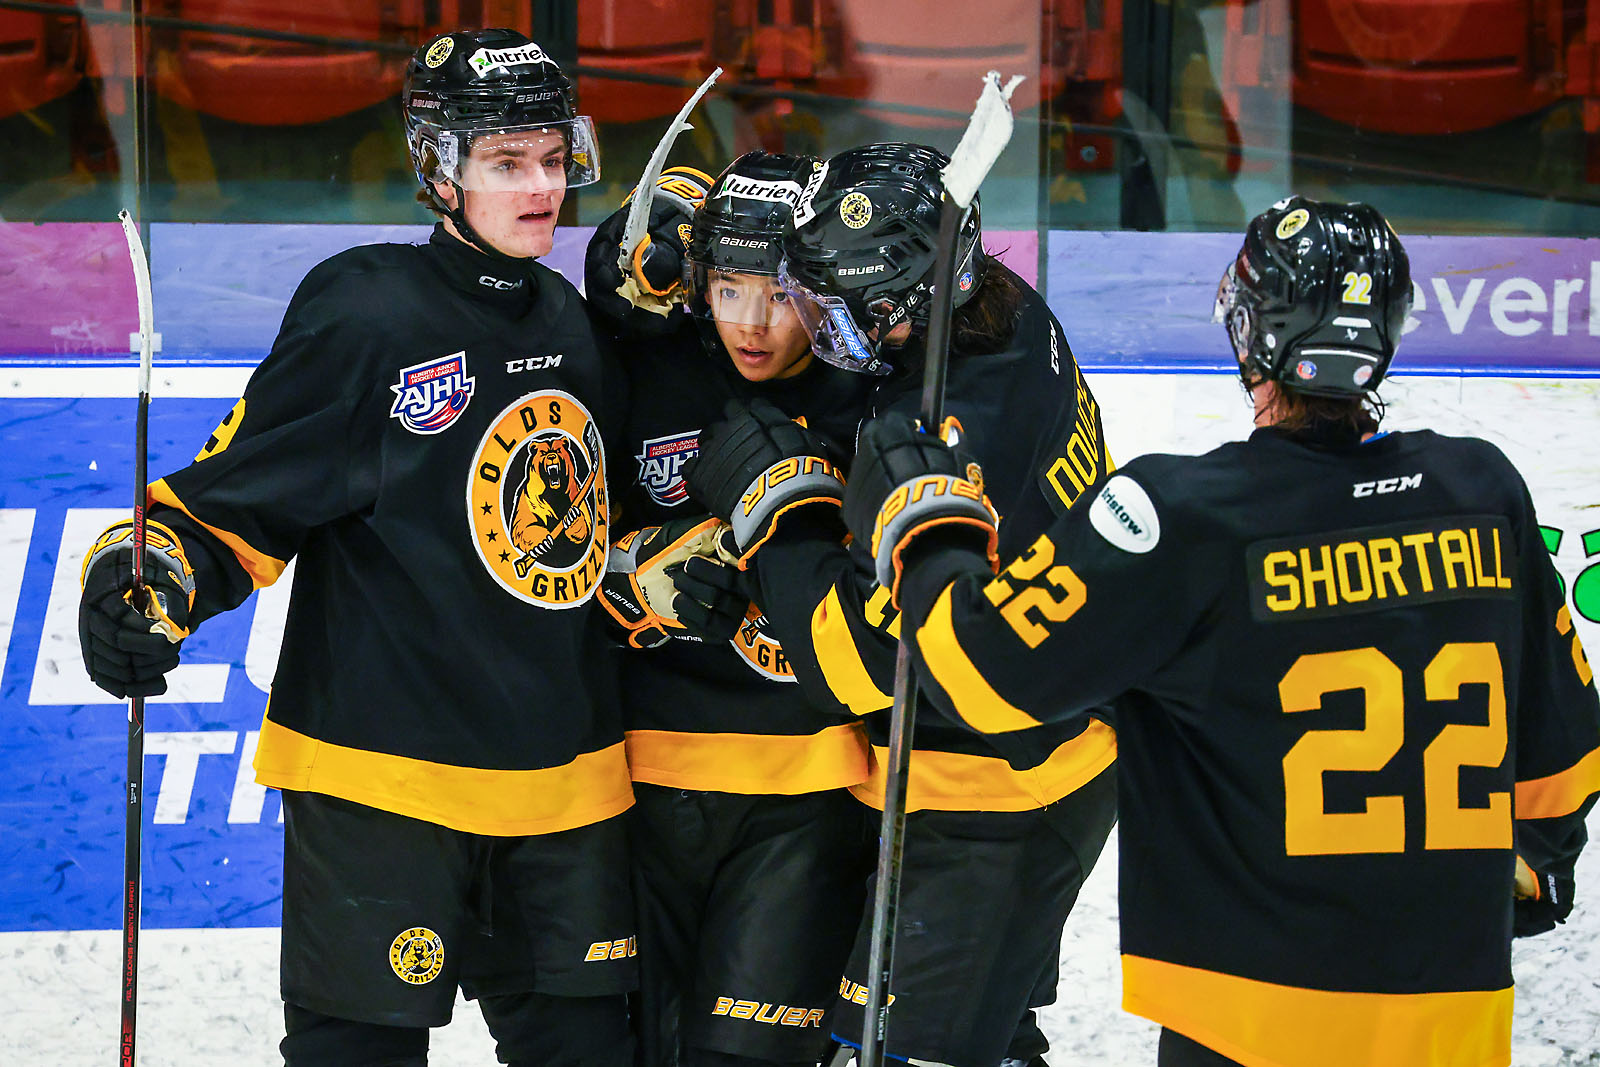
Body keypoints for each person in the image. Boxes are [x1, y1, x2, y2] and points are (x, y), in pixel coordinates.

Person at [838, 195, 1600, 1067]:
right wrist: (1537, 864)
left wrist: (931, 529)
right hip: (1452, 1022)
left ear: (1244, 332)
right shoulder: (1485, 489)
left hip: (1246, 1019)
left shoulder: (1179, 515)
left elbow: (982, 679)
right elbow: (1563, 761)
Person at [76, 29, 639, 1066]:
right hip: (386, 780)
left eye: (554, 160)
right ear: (439, 167)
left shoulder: (571, 315)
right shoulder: (368, 309)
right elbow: (233, 502)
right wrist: (143, 573)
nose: (542, 187)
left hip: (567, 784)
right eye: (507, 163)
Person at [682, 142, 1118, 1067]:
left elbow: (855, 664)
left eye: (831, 310)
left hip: (992, 795)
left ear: (899, 310)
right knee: (994, 1040)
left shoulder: (927, 430)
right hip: (1058, 751)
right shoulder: (1010, 315)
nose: (808, 324)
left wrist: (782, 510)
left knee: (898, 1054)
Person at [585, 150, 878, 1067]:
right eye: (727, 288)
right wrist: (632, 572)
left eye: (781, 295)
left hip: (809, 791)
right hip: (634, 777)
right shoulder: (644, 358)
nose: (751, 326)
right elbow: (537, 534)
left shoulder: (874, 387)